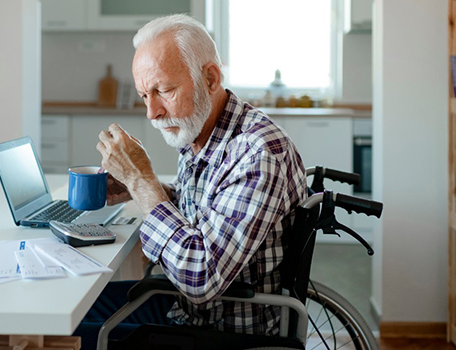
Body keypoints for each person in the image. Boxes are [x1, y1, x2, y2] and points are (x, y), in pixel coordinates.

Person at [73, 14, 307, 349]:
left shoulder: (258, 152)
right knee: (80, 300)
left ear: (210, 78)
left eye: (164, 90)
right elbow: (205, 208)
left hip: (222, 330)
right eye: (144, 96)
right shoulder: (203, 130)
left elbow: (201, 276)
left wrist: (142, 181)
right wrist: (138, 188)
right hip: (188, 309)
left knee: (74, 331)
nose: (152, 112)